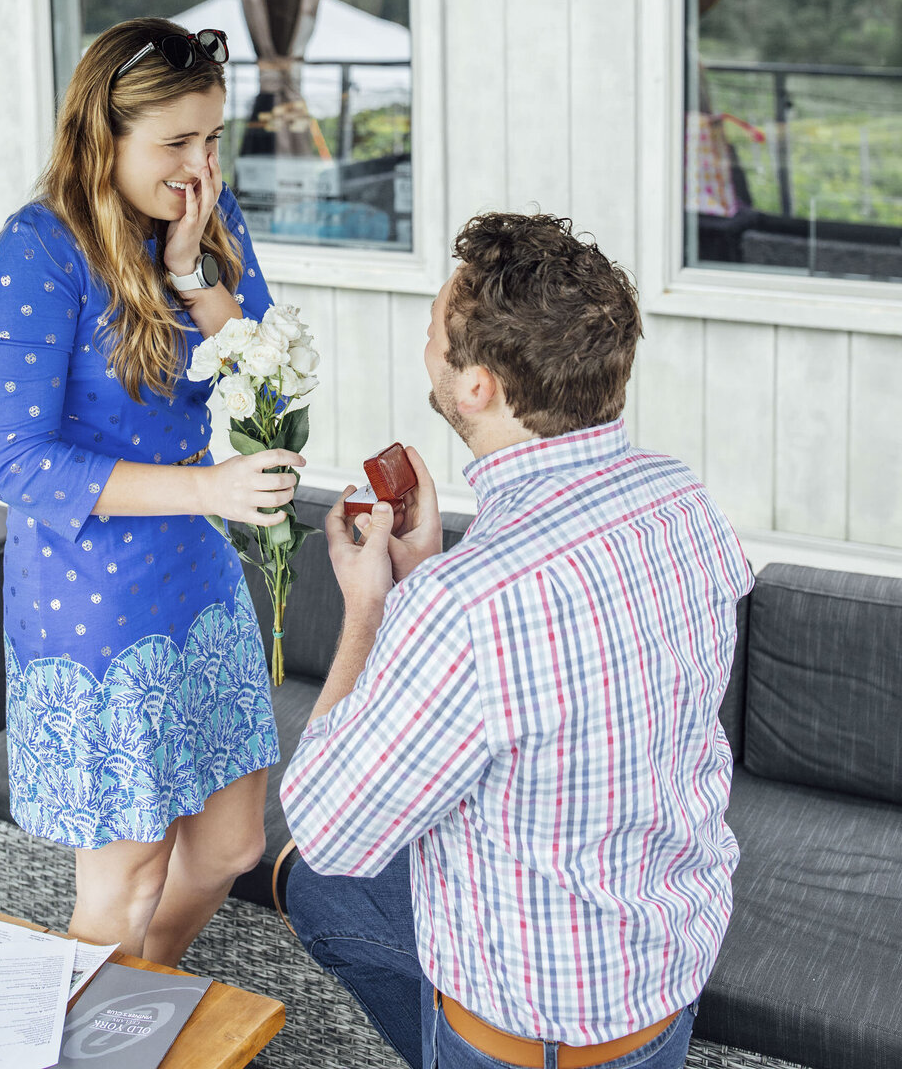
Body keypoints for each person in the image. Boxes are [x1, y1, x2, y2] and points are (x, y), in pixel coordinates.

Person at [279, 212, 753, 1069]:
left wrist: (373, 606)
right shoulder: (685, 503)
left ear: (477, 389)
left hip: (526, 1046)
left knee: (310, 875)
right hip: (664, 981)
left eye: (433, 334)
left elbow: (327, 824)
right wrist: (429, 574)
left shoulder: (467, 605)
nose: (426, 346)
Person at [0, 17, 302, 963]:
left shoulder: (211, 212)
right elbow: (22, 465)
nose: (200, 165)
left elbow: (268, 376)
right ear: (102, 137)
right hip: (95, 605)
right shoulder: (34, 253)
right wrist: (210, 489)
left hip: (198, 582)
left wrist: (194, 272)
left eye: (213, 138)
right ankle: (95, 1030)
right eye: (176, 144)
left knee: (234, 844)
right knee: (125, 878)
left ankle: (142, 993)